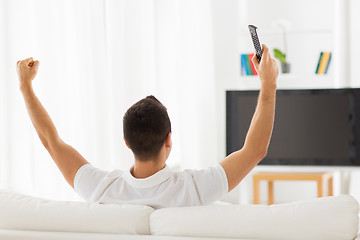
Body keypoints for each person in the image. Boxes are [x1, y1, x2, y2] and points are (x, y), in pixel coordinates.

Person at [16, 44, 278, 209]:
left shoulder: (101, 189)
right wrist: (268, 84)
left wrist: (25, 86)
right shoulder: (195, 189)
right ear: (169, 140)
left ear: (126, 141)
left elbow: (51, 142)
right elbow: (255, 150)